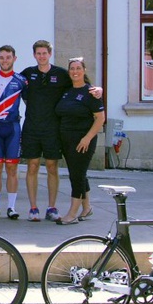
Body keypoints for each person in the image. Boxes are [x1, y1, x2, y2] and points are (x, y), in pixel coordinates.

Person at [54, 57, 105, 225]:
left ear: (84, 70)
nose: (75, 71)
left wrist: (87, 138)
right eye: (72, 69)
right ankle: (87, 207)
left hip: (83, 141)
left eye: (78, 68)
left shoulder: (91, 93)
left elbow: (100, 119)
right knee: (78, 174)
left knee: (77, 176)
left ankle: (72, 213)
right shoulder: (67, 91)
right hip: (66, 141)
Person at [0, 45, 27, 220]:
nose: (5, 61)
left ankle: (11, 207)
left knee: (12, 168)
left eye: (8, 57)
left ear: (14, 59)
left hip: (13, 128)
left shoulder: (21, 80)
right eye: (1, 57)